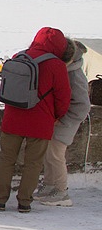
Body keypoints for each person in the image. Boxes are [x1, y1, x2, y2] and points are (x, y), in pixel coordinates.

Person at [0, 27, 71, 213]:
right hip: (41, 122)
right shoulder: (56, 65)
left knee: (6, 160)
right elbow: (63, 98)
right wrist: (56, 116)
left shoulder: (20, 56)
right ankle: (24, 202)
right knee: (33, 163)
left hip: (13, 118)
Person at [35, 38, 90, 207]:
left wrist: (63, 121)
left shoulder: (73, 73)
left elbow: (82, 105)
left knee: (55, 156)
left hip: (65, 123)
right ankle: (50, 187)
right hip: (58, 121)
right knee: (49, 155)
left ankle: (61, 192)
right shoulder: (67, 69)